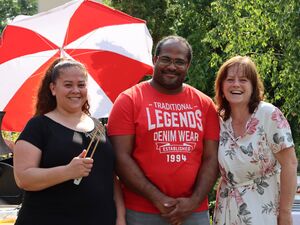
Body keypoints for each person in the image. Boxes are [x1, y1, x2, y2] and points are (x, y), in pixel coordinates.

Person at [107, 35, 220, 225]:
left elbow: (212, 157)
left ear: (188, 66)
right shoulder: (129, 100)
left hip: (193, 211)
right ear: (155, 60)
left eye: (179, 62)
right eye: (166, 59)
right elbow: (120, 158)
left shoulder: (205, 104)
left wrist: (193, 202)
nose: (172, 66)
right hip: (142, 210)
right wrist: (158, 198)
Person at [13, 58, 126, 225]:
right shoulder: (38, 126)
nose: (75, 90)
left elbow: (110, 176)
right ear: (53, 88)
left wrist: (121, 216)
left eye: (81, 85)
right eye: (68, 85)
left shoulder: (99, 127)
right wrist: (67, 171)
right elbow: (24, 179)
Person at [213, 55, 298, 225]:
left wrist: (285, 213)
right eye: (230, 79)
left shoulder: (269, 114)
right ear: (221, 87)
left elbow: (290, 164)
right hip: (226, 209)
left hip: (263, 209)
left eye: (243, 79)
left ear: (253, 87)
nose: (236, 84)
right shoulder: (218, 120)